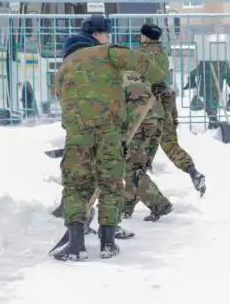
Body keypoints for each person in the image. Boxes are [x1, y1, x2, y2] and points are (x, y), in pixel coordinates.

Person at [52, 15, 168, 262]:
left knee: (75, 185)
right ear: (95, 36)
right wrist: (158, 80)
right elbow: (143, 62)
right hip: (109, 132)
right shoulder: (108, 53)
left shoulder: (63, 68)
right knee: (111, 183)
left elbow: (63, 105)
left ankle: (76, 245)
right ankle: (108, 244)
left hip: (77, 135)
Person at [121, 23, 175, 222]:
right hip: (157, 115)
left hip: (140, 114)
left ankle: (159, 204)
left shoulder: (138, 57)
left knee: (132, 167)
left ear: (144, 37)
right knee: (139, 165)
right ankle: (125, 207)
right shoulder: (163, 56)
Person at [138, 82, 206, 200]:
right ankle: (193, 172)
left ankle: (139, 193)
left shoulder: (136, 77)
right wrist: (173, 119)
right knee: (172, 147)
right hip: (164, 115)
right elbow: (170, 94)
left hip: (145, 118)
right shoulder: (157, 77)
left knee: (138, 155)